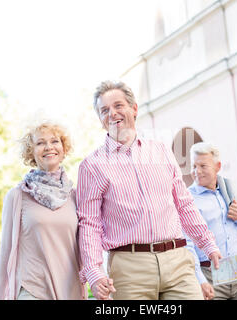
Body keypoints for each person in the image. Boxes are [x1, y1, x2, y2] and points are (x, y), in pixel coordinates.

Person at [76, 80, 222, 300]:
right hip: (129, 270)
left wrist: (207, 243)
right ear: (100, 119)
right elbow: (90, 223)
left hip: (178, 261)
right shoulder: (91, 166)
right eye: (104, 110)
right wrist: (94, 272)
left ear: (134, 109)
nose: (112, 113)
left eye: (118, 105)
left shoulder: (161, 151)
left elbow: (183, 203)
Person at [0, 121, 87, 300]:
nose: (48, 147)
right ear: (31, 152)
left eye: (54, 141)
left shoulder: (76, 196)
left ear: (63, 148)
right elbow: (5, 254)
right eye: (40, 143)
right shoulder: (18, 196)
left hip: (70, 290)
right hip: (32, 290)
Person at [185, 142, 237, 300]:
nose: (197, 171)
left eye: (203, 166)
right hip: (211, 275)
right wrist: (200, 280)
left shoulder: (232, 189)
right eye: (193, 166)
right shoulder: (187, 199)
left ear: (217, 166)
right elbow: (188, 244)